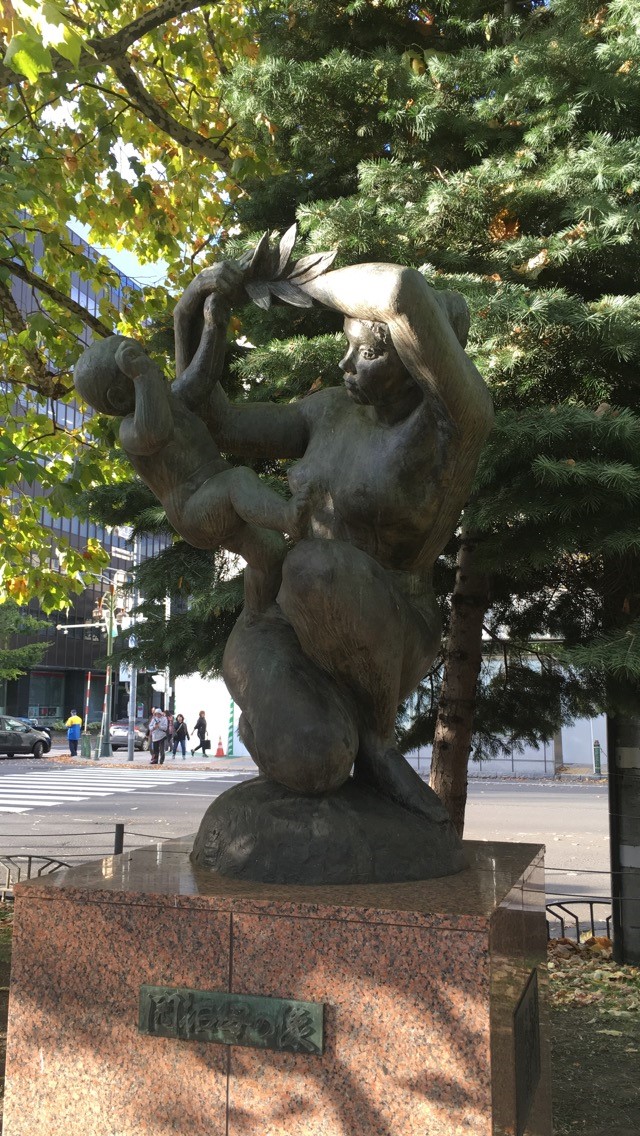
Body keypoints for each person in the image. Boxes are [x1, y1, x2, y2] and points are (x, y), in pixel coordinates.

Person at [173, 256, 494, 819]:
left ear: (420, 356)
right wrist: (194, 320)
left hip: (385, 627)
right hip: (287, 620)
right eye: (346, 345)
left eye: (368, 352)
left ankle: (375, 739)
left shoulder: (452, 424)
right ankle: (307, 727)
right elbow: (220, 422)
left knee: (314, 567)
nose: (346, 364)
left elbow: (401, 290)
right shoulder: (329, 412)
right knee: (313, 763)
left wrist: (282, 280)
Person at [73, 295, 313, 615]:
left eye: (145, 358)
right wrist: (142, 375)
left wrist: (214, 325)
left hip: (212, 499)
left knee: (269, 550)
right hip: (193, 510)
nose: (152, 366)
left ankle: (258, 616)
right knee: (237, 480)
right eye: (136, 364)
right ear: (118, 397)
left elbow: (203, 376)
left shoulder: (174, 400)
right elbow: (155, 432)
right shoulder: (131, 432)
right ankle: (288, 518)